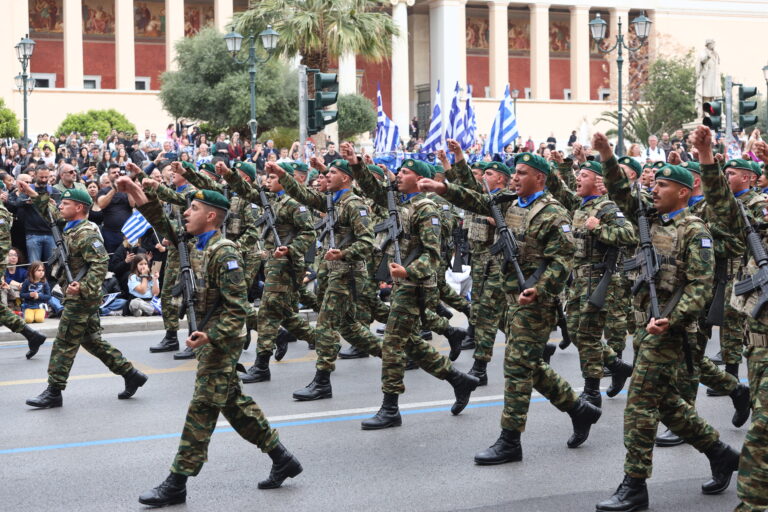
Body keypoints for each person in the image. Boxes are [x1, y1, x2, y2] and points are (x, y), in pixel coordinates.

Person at [117, 179, 302, 507]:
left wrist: (211, 336)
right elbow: (163, 224)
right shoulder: (195, 243)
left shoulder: (224, 252)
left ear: (212, 216)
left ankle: (177, 482)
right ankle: (282, 458)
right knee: (235, 405)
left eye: (194, 208)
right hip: (208, 340)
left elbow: (239, 309)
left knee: (202, 408)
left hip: (222, 342)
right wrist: (136, 192)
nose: (187, 213)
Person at [419, 150, 601, 462]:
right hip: (508, 297)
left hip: (535, 303)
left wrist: (539, 289)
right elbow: (478, 200)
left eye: (522, 173)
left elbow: (562, 260)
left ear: (540, 178)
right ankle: (578, 409)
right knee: (529, 366)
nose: (515, 178)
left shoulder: (553, 213)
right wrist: (443, 188)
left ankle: (510, 441)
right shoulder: (510, 202)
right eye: (514, 172)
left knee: (516, 368)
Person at [594, 131, 740, 511]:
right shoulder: (648, 219)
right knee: (669, 406)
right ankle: (721, 453)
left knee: (640, 404)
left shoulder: (694, 231)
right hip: (646, 327)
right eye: (654, 183)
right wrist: (607, 155)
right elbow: (621, 192)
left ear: (683, 192)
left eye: (663, 185)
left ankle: (634, 485)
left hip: (671, 332)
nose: (655, 189)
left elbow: (700, 287)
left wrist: (670, 320)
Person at [348, 144, 480, 428]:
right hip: (402, 282)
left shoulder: (426, 209)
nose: (398, 175)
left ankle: (390, 408)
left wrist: (408, 271)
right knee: (409, 343)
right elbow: (372, 188)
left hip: (416, 285)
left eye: (405, 172)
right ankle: (459, 379)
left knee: (393, 344)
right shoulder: (400, 202)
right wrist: (357, 164)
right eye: (399, 171)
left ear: (419, 179)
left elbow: (432, 255)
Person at [21, 185, 147, 409]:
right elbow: (51, 213)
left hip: (81, 297)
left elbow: (100, 263)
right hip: (78, 294)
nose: (61, 206)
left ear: (79, 208)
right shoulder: (71, 227)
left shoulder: (87, 233)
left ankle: (54, 391)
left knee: (64, 342)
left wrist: (83, 288)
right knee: (92, 341)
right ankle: (131, 374)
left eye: (66, 204)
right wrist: (33, 194)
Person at [97, 163, 136, 253]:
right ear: (108, 176)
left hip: (127, 232)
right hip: (111, 234)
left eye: (118, 172)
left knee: (130, 256)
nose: (117, 174)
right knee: (113, 257)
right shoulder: (103, 191)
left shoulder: (127, 190)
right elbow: (101, 204)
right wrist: (115, 189)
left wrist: (128, 188)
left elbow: (133, 204)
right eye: (113, 172)